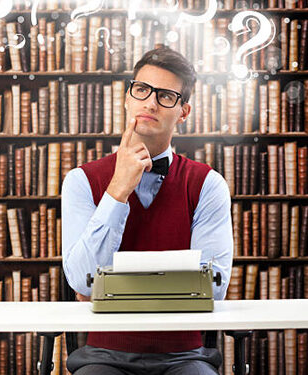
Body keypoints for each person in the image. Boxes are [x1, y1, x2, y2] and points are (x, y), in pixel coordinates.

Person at [61, 47, 234, 375]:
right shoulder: (81, 181)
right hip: (104, 355)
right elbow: (83, 282)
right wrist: (118, 191)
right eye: (141, 90)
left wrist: (109, 288)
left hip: (186, 355)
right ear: (127, 98)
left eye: (166, 96)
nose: (150, 102)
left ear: (183, 112)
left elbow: (213, 286)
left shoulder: (208, 184)